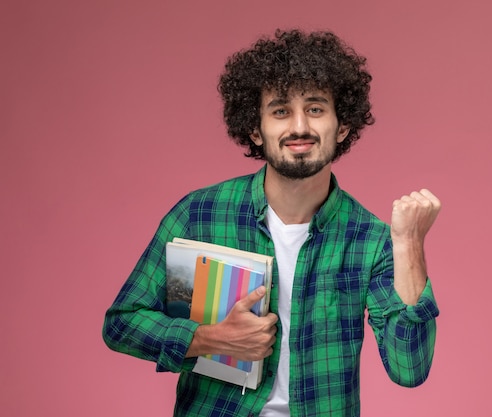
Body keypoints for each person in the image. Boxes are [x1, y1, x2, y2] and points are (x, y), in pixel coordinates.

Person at [103, 29, 441, 417]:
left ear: (342, 126)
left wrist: (409, 244)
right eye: (280, 111)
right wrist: (208, 339)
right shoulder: (200, 214)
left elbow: (409, 368)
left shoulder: (372, 240)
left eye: (315, 109)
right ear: (255, 130)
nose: (299, 127)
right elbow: (122, 324)